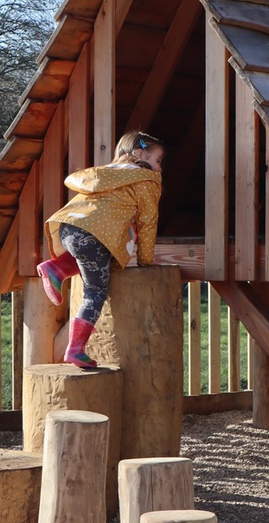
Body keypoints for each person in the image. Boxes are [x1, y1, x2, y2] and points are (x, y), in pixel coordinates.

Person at [37, 131, 164, 368]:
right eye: (158, 161)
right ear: (139, 155)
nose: (159, 168)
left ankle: (56, 268)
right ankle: (75, 349)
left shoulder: (106, 174)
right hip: (94, 234)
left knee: (93, 259)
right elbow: (148, 221)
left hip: (68, 226)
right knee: (96, 291)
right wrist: (146, 260)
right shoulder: (148, 181)